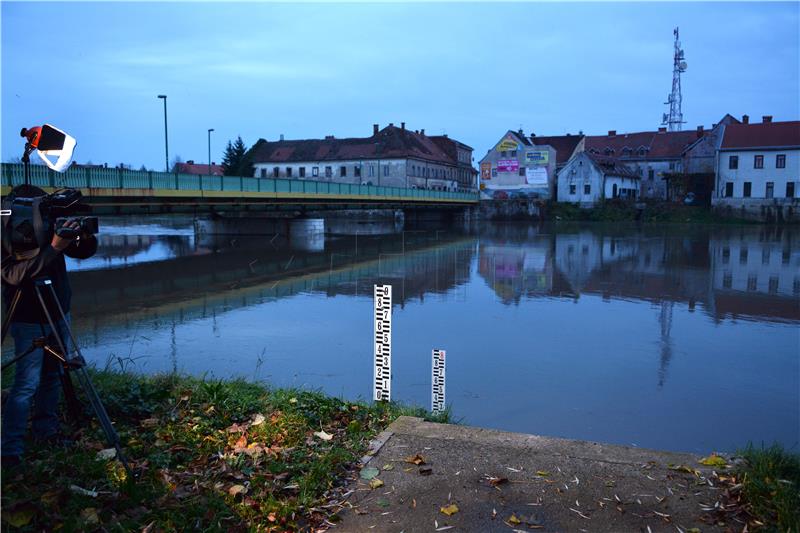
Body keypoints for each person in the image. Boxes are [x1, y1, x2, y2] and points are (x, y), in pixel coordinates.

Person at [1, 185, 97, 469]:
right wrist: (54, 248)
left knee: (53, 374)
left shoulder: (48, 225)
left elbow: (83, 252)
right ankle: (10, 451)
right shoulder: (6, 233)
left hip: (58, 308)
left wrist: (79, 235)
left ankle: (46, 431)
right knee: (26, 384)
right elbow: (14, 275)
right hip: (27, 314)